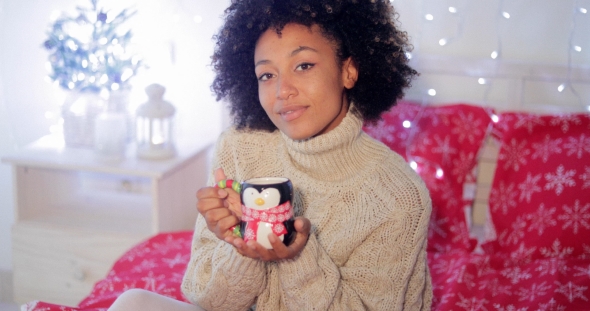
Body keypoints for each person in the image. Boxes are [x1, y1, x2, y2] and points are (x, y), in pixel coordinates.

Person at [107, 0, 432, 310]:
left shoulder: (398, 195)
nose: (282, 91)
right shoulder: (239, 147)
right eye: (267, 75)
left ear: (348, 70)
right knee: (132, 303)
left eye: (303, 65)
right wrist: (241, 245)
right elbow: (206, 300)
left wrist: (296, 255)